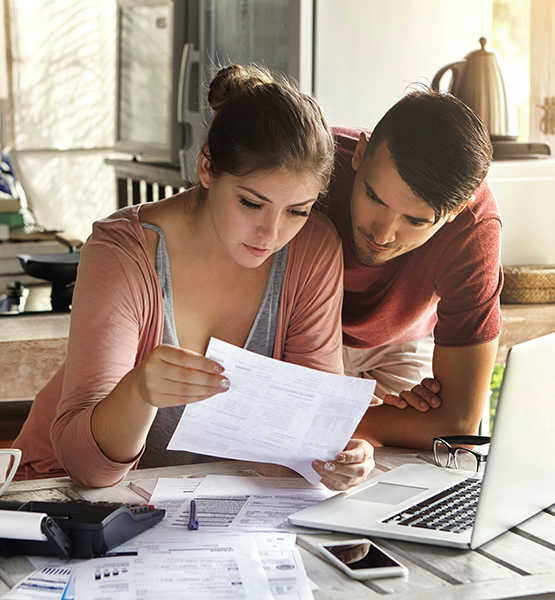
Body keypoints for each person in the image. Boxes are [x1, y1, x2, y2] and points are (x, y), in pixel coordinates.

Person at [13, 64, 375, 491]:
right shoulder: (122, 252)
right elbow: (87, 470)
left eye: (297, 210)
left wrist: (340, 456)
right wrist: (138, 393)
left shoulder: (313, 249)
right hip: (61, 496)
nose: (272, 233)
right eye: (251, 203)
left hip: (204, 508)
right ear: (206, 167)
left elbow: (305, 433)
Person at [323, 89, 502, 450]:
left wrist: (335, 418)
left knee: (417, 472)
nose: (382, 234)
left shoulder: (474, 228)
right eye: (374, 197)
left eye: (415, 220)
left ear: (455, 212)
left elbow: (458, 426)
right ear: (359, 153)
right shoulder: (312, 164)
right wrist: (355, 418)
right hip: (302, 337)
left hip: (400, 343)